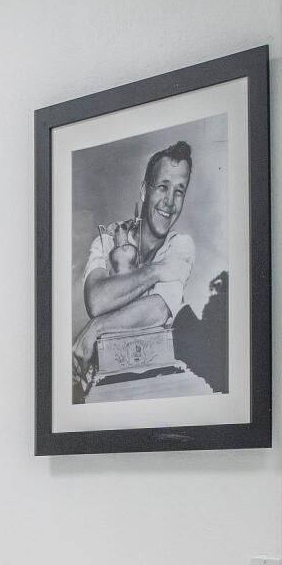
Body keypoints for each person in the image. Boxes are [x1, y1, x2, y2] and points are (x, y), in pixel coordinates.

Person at [75, 139, 196, 384]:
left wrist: (95, 329)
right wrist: (157, 271)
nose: (170, 202)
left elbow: (158, 310)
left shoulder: (181, 245)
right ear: (144, 191)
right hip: (103, 383)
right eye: (163, 187)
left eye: (179, 191)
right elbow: (97, 301)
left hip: (157, 382)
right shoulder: (107, 239)